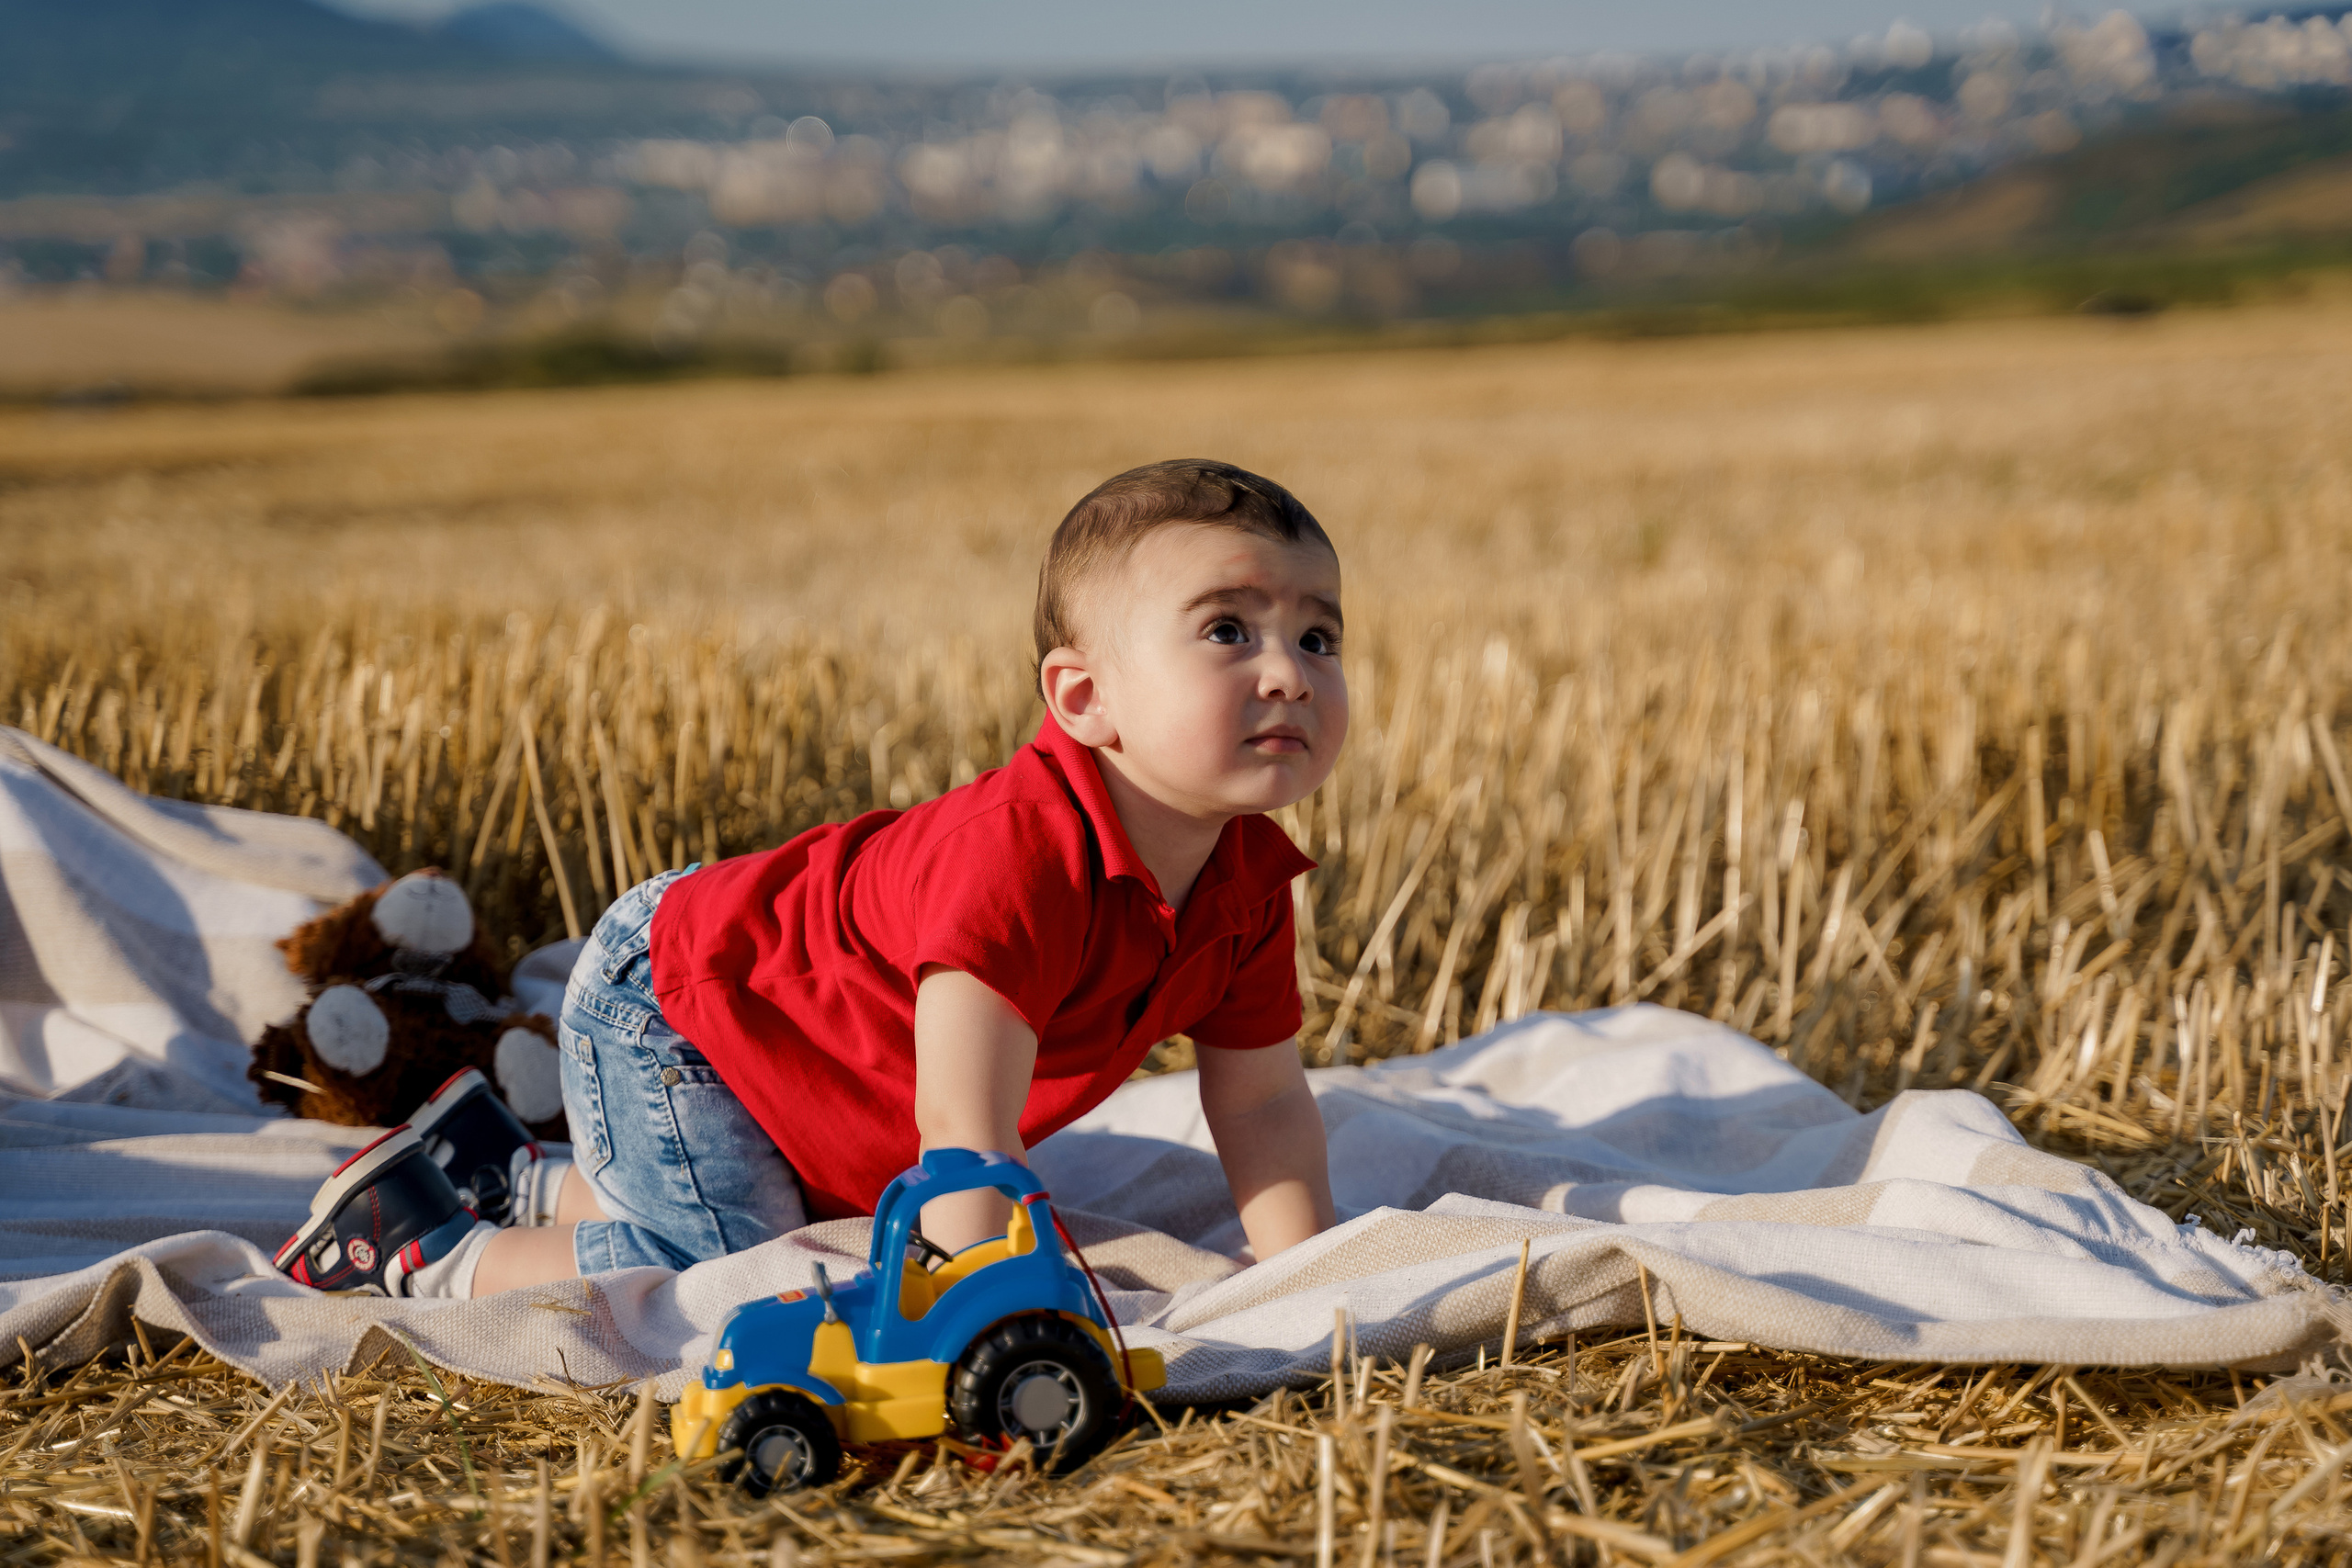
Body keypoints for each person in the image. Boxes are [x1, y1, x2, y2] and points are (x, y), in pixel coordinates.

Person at [275, 458, 1348, 1299]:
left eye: (1316, 635)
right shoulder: (1020, 858)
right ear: (1080, 701)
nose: (1287, 672)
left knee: (802, 1226)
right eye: (1226, 629)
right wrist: (980, 1302)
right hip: (687, 1005)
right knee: (749, 1272)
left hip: (795, 1044)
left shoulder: (1248, 880)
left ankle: (506, 1175)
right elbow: (963, 1134)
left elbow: (1257, 1101)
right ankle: (417, 1248)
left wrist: (1300, 1281)